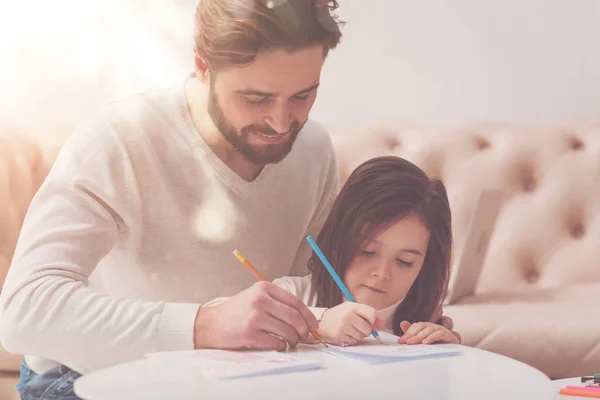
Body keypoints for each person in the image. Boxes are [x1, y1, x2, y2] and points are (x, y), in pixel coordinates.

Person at [0, 0, 453, 398]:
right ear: (202, 64)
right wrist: (205, 325)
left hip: (226, 382)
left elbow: (318, 296)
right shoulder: (119, 140)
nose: (281, 122)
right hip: (84, 378)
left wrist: (408, 330)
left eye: (303, 95)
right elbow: (24, 311)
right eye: (255, 97)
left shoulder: (312, 150)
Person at [272, 156, 461, 345]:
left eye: (404, 261)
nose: (382, 274)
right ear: (338, 238)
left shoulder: (424, 325)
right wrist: (317, 323)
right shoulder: (289, 295)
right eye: (367, 251)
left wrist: (449, 354)